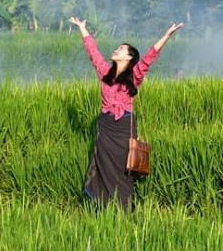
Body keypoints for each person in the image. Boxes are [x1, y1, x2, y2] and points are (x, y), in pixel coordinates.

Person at [70, 16, 183, 209]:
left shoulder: (135, 75)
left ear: (129, 57)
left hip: (124, 128)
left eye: (121, 48)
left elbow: (150, 56)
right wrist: (82, 28)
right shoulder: (105, 72)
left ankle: (124, 210)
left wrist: (166, 35)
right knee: (104, 165)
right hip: (106, 127)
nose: (117, 49)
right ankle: (101, 208)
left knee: (124, 169)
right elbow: (92, 52)